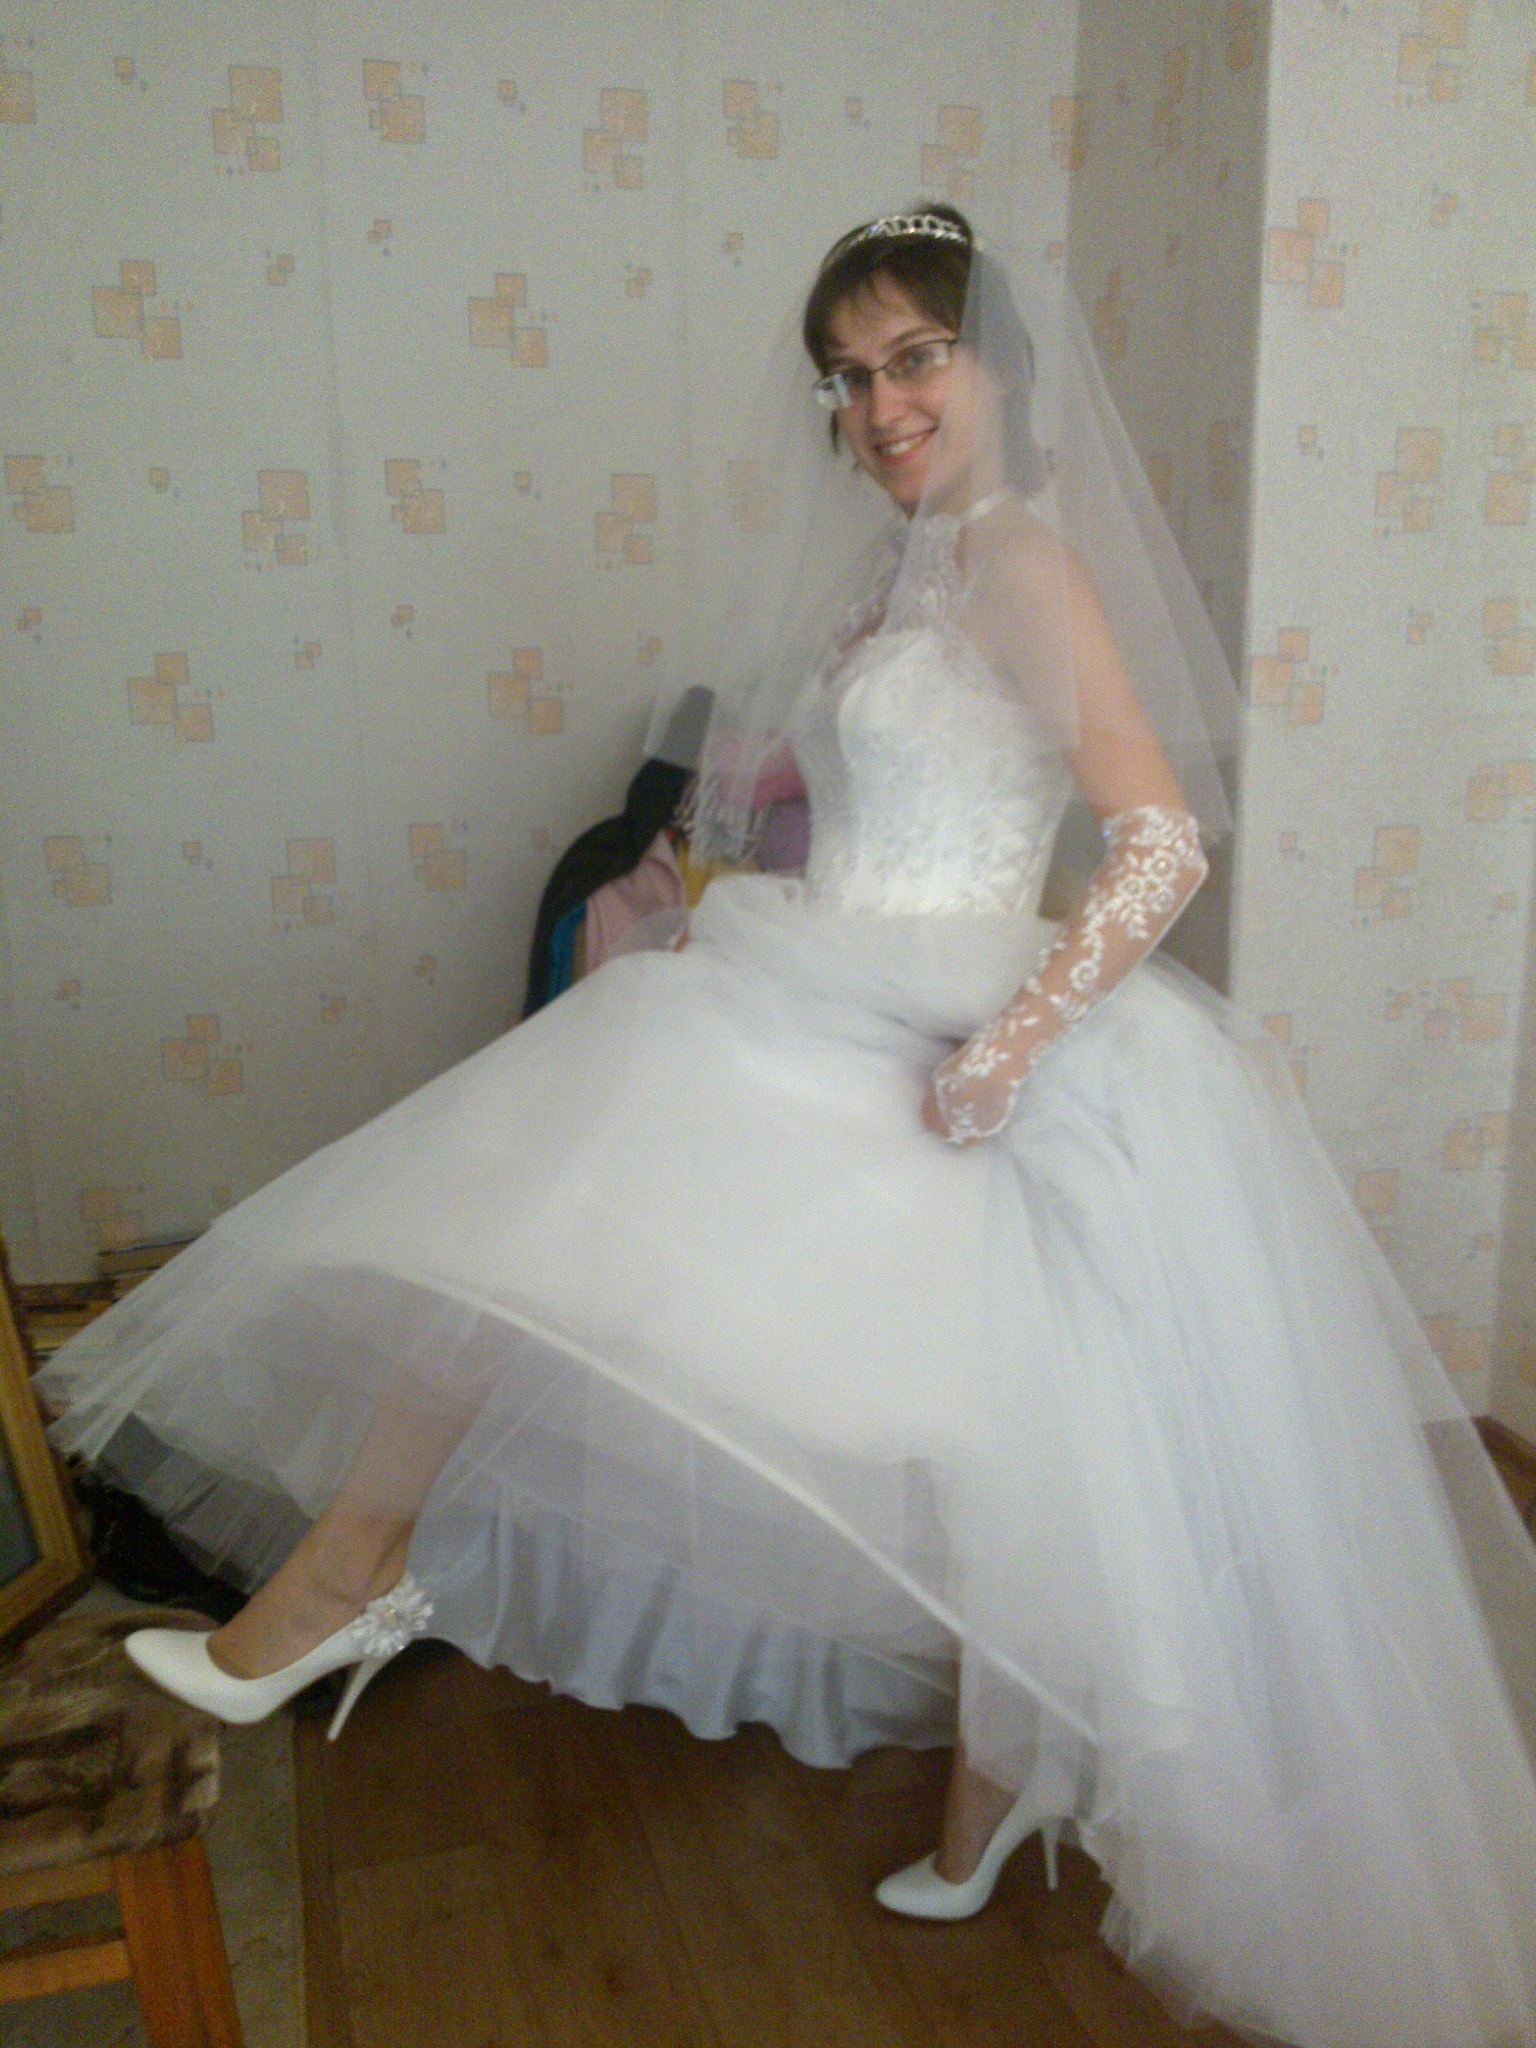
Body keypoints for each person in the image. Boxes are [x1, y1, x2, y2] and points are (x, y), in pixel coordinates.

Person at [38, 206, 1536, 2046]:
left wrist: (1010, 1046)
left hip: (957, 1032)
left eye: (914, 359)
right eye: (848, 377)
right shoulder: (908, 573)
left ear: (998, 369)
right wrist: (710, 902)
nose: (879, 406)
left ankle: (966, 1787)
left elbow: (1159, 845)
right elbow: (860, 806)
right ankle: (358, 1576)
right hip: (829, 982)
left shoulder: (1023, 565)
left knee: (999, 1446)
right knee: (549, 1232)